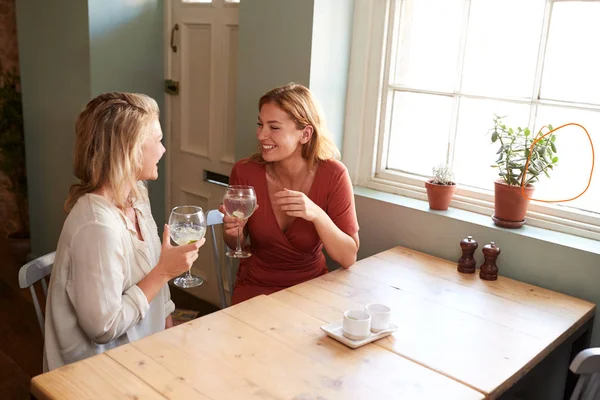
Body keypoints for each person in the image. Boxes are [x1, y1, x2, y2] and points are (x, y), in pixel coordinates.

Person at [44, 92, 204, 371]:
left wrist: (168, 327)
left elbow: (156, 271)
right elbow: (103, 329)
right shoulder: (97, 226)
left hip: (142, 354)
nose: (164, 150)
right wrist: (164, 272)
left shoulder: (137, 195)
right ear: (129, 150)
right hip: (96, 373)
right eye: (158, 141)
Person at [220, 83, 359, 304]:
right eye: (260, 124)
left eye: (274, 127)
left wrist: (316, 214)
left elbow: (348, 257)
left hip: (311, 289)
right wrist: (233, 230)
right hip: (255, 288)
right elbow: (234, 242)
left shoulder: (334, 175)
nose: (261, 135)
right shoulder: (245, 172)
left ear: (305, 134)